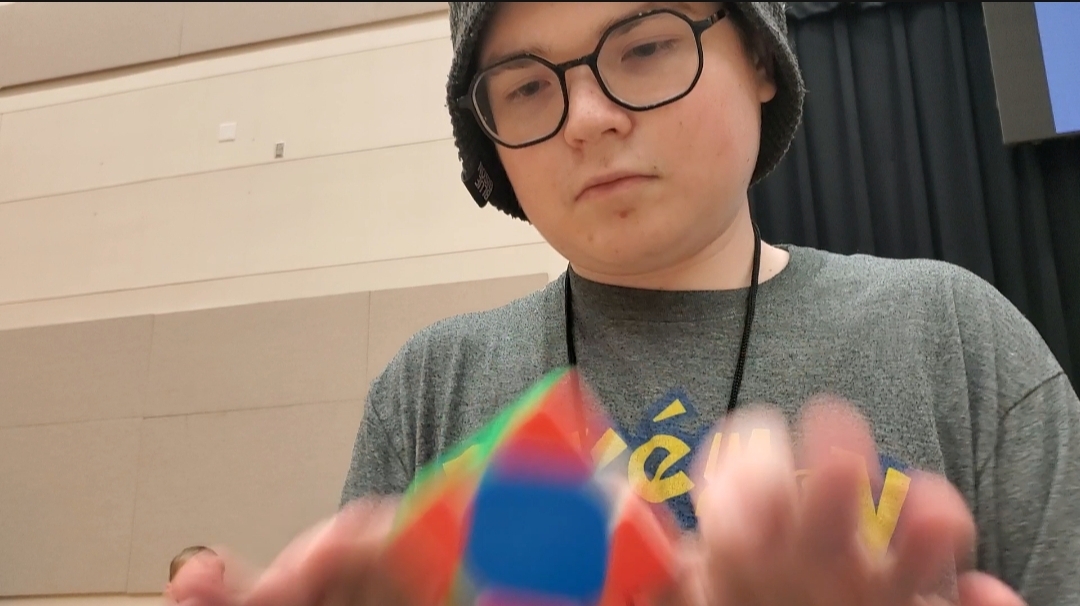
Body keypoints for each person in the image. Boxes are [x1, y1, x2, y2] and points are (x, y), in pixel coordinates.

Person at [174, 3, 1080, 606]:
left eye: (644, 47)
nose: (586, 117)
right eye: (527, 86)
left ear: (762, 58)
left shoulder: (950, 333)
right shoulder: (431, 385)